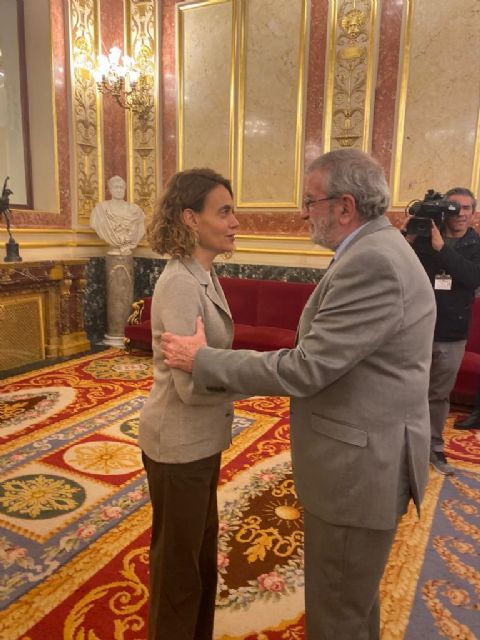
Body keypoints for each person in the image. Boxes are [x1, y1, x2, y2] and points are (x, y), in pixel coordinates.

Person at [160, 149, 436, 640]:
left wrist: (203, 360)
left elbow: (308, 367)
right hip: (364, 459)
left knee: (339, 615)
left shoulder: (372, 261)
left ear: (345, 206)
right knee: (351, 605)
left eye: (310, 202)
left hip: (359, 472)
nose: (303, 213)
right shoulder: (376, 251)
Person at [138, 168, 240, 640]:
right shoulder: (180, 282)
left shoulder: (205, 274)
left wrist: (219, 363)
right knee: (178, 567)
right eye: (224, 211)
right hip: (177, 444)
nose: (235, 221)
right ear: (190, 218)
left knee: (199, 553)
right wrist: (244, 378)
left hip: (200, 441)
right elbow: (187, 386)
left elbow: (208, 359)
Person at [401, 187, 480, 474]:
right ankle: (402, 442)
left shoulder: (475, 245)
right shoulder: (423, 237)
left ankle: (434, 447)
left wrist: (442, 250)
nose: (459, 213)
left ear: (473, 213)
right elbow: (400, 267)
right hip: (416, 328)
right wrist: (405, 238)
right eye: (453, 207)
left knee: (438, 394)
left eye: (466, 208)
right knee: (407, 388)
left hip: (451, 332)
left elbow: (472, 277)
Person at [90, 175, 145, 255]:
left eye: (121, 187)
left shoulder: (135, 210)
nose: (119, 190)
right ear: (110, 190)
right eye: (116, 187)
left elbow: (141, 228)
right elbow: (94, 224)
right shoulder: (100, 209)